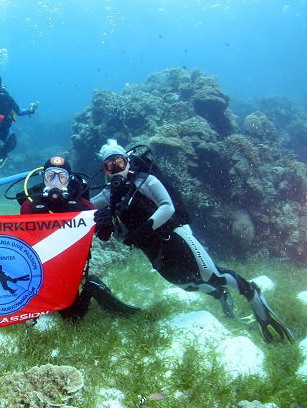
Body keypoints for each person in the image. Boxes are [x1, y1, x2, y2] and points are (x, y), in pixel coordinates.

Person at [90, 139, 294, 343]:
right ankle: (220, 294)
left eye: (120, 162)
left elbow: (167, 206)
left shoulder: (145, 181)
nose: (116, 168)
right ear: (105, 170)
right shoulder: (110, 194)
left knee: (210, 273)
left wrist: (144, 228)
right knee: (183, 283)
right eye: (109, 165)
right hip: (151, 247)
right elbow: (84, 208)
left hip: (175, 234)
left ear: (127, 162)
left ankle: (253, 295)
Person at [17, 156, 139, 320]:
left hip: (69, 268)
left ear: (69, 180)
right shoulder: (29, 205)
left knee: (72, 318)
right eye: (50, 176)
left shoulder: (83, 206)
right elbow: (22, 239)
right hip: (39, 267)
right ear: (43, 178)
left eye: (61, 177)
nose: (55, 182)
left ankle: (92, 287)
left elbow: (104, 236)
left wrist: (105, 224)